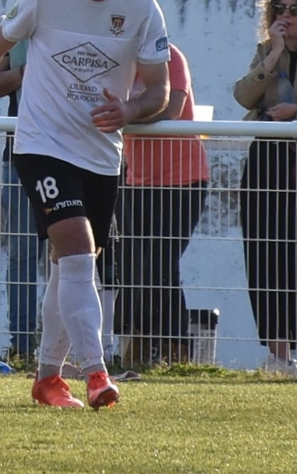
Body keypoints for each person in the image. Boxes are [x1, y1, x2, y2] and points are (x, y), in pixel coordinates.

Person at [0, 0, 170, 410]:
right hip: (41, 147)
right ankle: (95, 372)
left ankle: (48, 379)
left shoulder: (140, 8)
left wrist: (129, 109)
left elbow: (159, 89)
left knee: (71, 264)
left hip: (101, 155)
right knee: (75, 250)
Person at [0, 0, 71, 359]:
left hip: (75, 155)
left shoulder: (84, 22)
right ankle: (20, 348)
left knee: (69, 259)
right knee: (21, 254)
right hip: (18, 158)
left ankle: (65, 353)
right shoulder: (14, 24)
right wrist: (23, 74)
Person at [233, 0, 297, 379]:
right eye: (279, 9)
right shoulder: (267, 49)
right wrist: (273, 55)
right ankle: (280, 356)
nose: (285, 17)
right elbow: (243, 96)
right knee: (264, 253)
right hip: (267, 163)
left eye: (295, 11)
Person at [117, 43, 208, 365]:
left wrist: (123, 114)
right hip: (136, 181)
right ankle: (155, 346)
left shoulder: (171, 57)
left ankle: (165, 347)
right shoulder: (115, 58)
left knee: (158, 264)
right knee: (138, 268)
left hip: (184, 180)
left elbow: (171, 109)